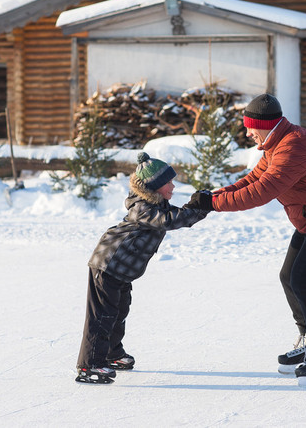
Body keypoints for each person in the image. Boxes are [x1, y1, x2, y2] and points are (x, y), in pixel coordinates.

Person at [185, 93, 306, 387]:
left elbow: (261, 192)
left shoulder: (294, 147)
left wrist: (213, 205)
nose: (247, 132)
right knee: (289, 276)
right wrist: (212, 196)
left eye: (250, 127)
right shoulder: (277, 143)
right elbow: (252, 179)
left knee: (303, 279)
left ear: (263, 125)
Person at [76, 152, 209, 384]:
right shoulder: (143, 208)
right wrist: (197, 209)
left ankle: (112, 354)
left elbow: (172, 215)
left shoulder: (155, 204)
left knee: (119, 312)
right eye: (169, 182)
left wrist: (196, 206)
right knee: (102, 316)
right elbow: (169, 220)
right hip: (107, 264)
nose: (174, 186)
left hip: (122, 271)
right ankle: (89, 366)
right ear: (155, 186)